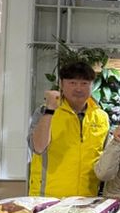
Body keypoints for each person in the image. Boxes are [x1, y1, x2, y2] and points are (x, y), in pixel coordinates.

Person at [28, 61, 109, 198]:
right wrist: (50, 110)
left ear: (92, 85)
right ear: (61, 84)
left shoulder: (101, 117)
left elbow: (105, 161)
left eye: (84, 83)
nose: (78, 88)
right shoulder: (44, 112)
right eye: (72, 83)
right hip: (48, 199)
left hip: (86, 200)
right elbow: (38, 147)